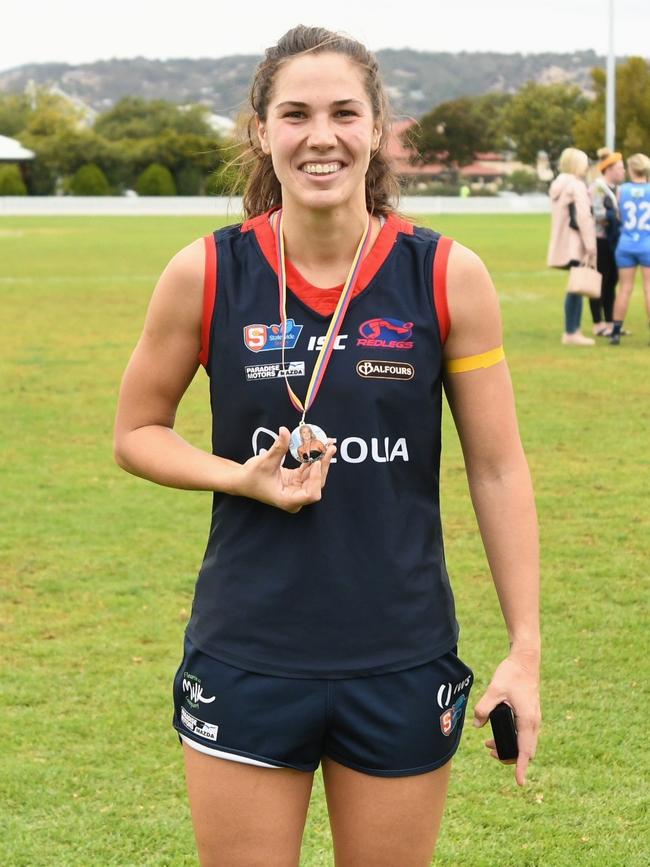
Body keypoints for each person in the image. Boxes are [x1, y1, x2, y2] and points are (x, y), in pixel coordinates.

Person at [114, 26, 540, 867]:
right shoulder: (205, 273)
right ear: (262, 130)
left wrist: (525, 646)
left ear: (377, 126)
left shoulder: (446, 274)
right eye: (296, 113)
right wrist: (238, 476)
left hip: (399, 652)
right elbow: (136, 432)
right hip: (248, 650)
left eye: (345, 112)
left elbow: (497, 466)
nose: (322, 136)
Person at [547, 147, 598, 346]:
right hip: (576, 242)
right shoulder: (576, 186)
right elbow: (584, 217)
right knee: (576, 287)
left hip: (564, 242)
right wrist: (590, 244)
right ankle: (571, 331)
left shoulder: (559, 184)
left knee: (575, 286)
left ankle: (573, 329)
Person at [610, 153, 650, 345]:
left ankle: (616, 332)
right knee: (648, 287)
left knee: (624, 288)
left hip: (626, 244)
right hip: (647, 243)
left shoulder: (622, 190)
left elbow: (619, 216)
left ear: (631, 169)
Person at [589, 149, 624, 335]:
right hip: (599, 240)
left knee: (612, 281)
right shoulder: (597, 188)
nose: (623, 171)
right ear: (609, 169)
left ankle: (611, 321)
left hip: (614, 240)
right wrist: (616, 216)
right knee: (598, 281)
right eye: (620, 167)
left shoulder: (617, 189)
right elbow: (597, 214)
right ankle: (598, 323)